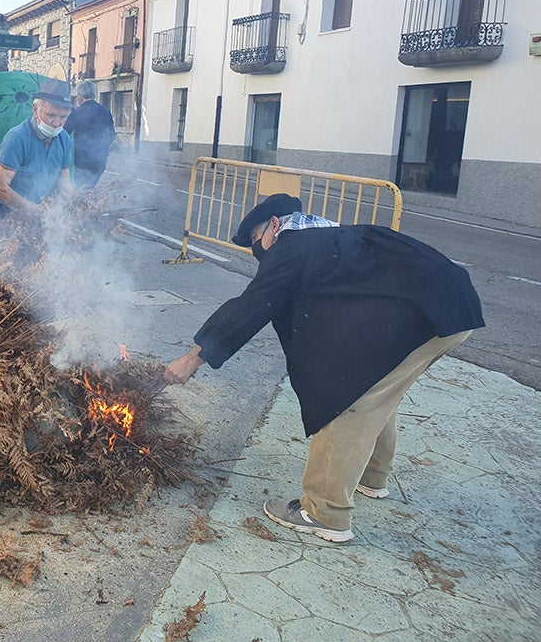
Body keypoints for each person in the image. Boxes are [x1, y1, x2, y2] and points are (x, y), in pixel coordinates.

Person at [164, 193, 484, 543]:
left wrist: (192, 359)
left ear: (275, 225)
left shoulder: (293, 245)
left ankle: (324, 512)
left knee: (347, 399)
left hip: (425, 317)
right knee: (375, 390)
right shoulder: (330, 238)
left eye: (256, 240)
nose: (258, 251)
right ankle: (372, 477)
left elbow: (253, 306)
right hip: (451, 309)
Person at [0, 77, 74, 222]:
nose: (56, 123)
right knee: (3, 244)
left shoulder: (64, 139)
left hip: (38, 207)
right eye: (51, 115)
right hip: (4, 210)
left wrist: (71, 205)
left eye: (63, 117)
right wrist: (35, 210)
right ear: (35, 110)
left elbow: (64, 181)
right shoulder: (17, 138)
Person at [64, 80, 115, 190]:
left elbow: (64, 133)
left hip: (82, 162)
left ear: (80, 96)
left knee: (77, 191)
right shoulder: (106, 112)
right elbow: (111, 135)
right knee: (88, 189)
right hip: (100, 162)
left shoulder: (77, 113)